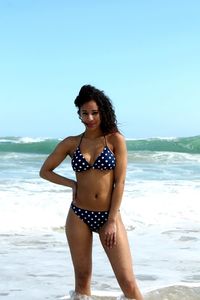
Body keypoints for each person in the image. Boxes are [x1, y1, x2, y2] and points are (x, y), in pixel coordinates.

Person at [40, 85, 143, 300]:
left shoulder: (115, 140)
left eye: (94, 112)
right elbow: (45, 171)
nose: (90, 118)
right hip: (78, 214)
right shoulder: (71, 143)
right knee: (82, 279)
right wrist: (73, 184)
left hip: (108, 215)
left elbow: (120, 182)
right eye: (84, 113)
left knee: (128, 282)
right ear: (78, 114)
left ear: (102, 112)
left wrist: (112, 220)